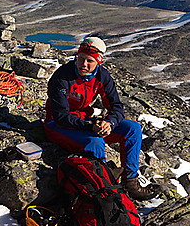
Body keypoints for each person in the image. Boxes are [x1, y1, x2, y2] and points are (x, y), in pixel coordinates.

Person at [44, 36, 156, 200]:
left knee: (133, 129)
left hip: (83, 122)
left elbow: (116, 106)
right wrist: (91, 126)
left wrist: (109, 123)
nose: (83, 64)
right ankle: (105, 188)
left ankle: (130, 182)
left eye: (89, 61)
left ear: (99, 62)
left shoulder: (102, 76)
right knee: (95, 142)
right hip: (56, 125)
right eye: (81, 59)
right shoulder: (62, 77)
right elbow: (61, 116)